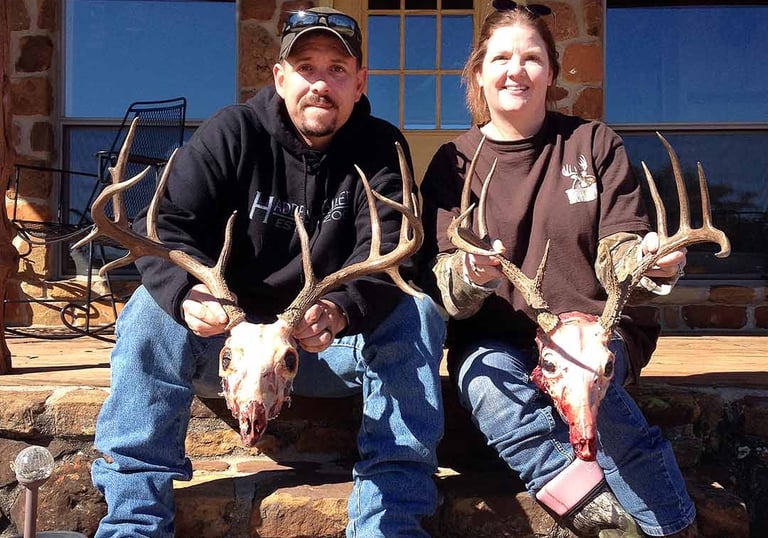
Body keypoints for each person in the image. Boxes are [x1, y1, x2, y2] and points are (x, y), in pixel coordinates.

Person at [90, 7, 446, 538]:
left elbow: (394, 250)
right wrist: (187, 295)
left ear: (359, 83)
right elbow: (163, 225)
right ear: (280, 77)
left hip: (319, 349)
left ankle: (389, 521)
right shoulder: (232, 132)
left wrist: (341, 309)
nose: (320, 84)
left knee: (416, 312)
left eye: (337, 69)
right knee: (149, 310)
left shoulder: (380, 148)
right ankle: (133, 521)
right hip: (225, 346)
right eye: (306, 68)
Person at [419, 2, 697, 538]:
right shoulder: (454, 162)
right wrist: (470, 273)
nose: (516, 70)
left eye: (531, 58)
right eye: (501, 58)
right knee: (485, 385)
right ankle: (603, 520)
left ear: (551, 71)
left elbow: (620, 245)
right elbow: (439, 279)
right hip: (499, 338)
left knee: (588, 381)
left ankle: (672, 526)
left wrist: (648, 262)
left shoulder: (593, 143)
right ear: (479, 72)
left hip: (594, 330)